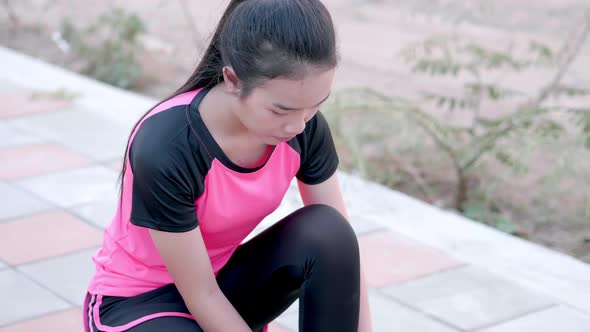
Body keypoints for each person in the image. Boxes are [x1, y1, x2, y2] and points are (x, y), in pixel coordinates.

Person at [84, 0, 372, 331]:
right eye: (280, 110)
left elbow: (345, 254)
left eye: (313, 107)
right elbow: (201, 294)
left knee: (330, 232)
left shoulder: (304, 128)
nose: (298, 126)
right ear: (232, 79)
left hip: (224, 285)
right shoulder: (167, 146)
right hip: (139, 303)